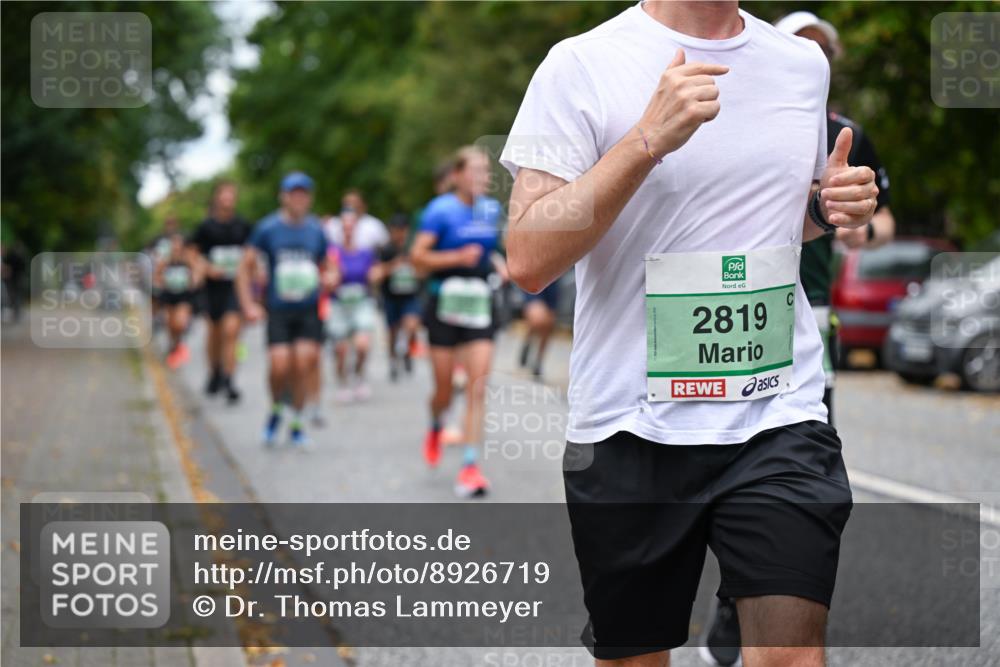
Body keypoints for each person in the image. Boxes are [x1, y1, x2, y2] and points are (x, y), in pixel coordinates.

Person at [501, 1, 879, 664]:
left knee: (790, 653)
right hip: (629, 426)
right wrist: (645, 140)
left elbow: (772, 213)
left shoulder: (800, 65)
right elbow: (530, 257)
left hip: (778, 412)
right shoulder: (580, 65)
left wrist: (826, 205)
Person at [697, 13, 897, 666]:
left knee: (796, 468)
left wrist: (858, 218)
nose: (812, 57)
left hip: (808, 315)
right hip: (728, 303)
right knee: (711, 460)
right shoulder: (736, 111)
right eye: (800, 45)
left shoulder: (845, 133)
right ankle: (734, 597)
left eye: (823, 51)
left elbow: (878, 216)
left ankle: (769, 587)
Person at [411, 146, 507, 498]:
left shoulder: (490, 210)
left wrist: (499, 265)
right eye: (475, 170)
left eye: (486, 171)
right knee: (443, 388)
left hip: (479, 305)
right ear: (457, 175)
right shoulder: (440, 210)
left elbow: (491, 250)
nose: (482, 177)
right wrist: (455, 256)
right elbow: (417, 258)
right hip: (444, 305)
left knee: (477, 386)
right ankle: (436, 422)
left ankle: (469, 466)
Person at [236, 172, 337, 449]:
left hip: (307, 310)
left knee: (303, 364)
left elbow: (330, 264)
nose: (299, 198)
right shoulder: (267, 229)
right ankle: (276, 410)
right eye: (293, 193)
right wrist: (248, 305)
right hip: (279, 311)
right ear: (283, 196)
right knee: (280, 366)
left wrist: (331, 276)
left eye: (304, 193)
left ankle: (296, 422)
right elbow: (244, 269)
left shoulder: (316, 230)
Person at [189, 181, 253, 404]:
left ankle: (229, 379)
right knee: (215, 333)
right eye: (223, 196)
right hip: (212, 288)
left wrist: (251, 270)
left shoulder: (243, 226)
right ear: (217, 198)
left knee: (231, 331)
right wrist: (207, 268)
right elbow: (192, 254)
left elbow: (251, 253)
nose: (227, 200)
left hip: (234, 287)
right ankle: (214, 371)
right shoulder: (206, 227)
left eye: (231, 196)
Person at [326, 209, 379, 402]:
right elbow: (328, 275)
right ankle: (342, 382)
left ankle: (359, 376)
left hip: (361, 302)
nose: (348, 230)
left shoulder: (365, 253)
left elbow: (374, 272)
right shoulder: (333, 252)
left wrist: (376, 276)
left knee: (362, 345)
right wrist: (331, 277)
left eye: (351, 226)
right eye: (345, 227)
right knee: (340, 349)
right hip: (339, 304)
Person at [371, 213, 423, 381]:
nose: (400, 235)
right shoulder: (386, 250)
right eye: (396, 231)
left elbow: (423, 270)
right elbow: (375, 274)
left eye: (403, 231)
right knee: (392, 331)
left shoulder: (414, 248)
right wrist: (394, 266)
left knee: (412, 325)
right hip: (391, 297)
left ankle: (407, 349)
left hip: (410, 295)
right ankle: (393, 360)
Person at [154, 233, 200, 370]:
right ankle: (173, 344)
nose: (176, 246)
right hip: (169, 295)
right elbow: (157, 275)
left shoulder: (187, 260)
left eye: (178, 243)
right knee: (170, 323)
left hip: (183, 296)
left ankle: (178, 343)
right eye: (174, 243)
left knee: (179, 323)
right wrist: (160, 282)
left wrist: (193, 282)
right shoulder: (166, 261)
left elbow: (196, 274)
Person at [518, 276, 562, 380]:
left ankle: (538, 361)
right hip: (537, 277)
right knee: (538, 319)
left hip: (553, 280)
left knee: (549, 325)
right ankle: (527, 341)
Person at [324, 189, 390, 251]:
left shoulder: (375, 225)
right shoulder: (333, 224)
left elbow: (385, 248)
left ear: (363, 205)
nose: (350, 205)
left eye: (354, 202)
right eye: (347, 202)